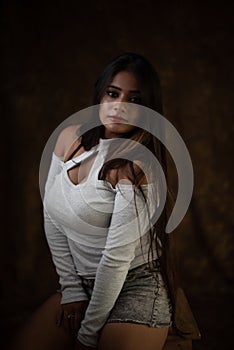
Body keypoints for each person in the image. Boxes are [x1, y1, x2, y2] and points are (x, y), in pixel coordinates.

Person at [10, 53, 177, 350]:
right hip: (83, 284)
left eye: (135, 100)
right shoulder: (69, 138)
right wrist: (72, 290)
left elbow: (116, 259)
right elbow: (52, 214)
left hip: (135, 287)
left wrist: (87, 336)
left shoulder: (138, 165)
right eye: (113, 93)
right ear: (100, 95)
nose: (119, 106)